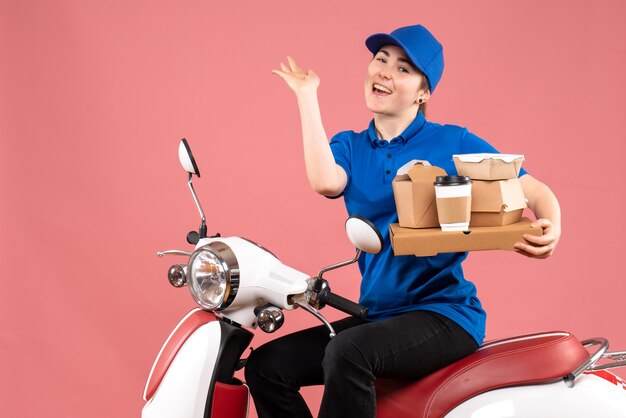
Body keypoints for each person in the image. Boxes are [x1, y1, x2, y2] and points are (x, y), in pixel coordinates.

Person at [244, 24, 561, 418]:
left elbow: (533, 188)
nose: (385, 72)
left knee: (348, 351)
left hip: (444, 315)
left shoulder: (452, 141)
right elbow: (326, 182)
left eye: (403, 69)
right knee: (267, 367)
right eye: (380, 60)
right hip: (378, 316)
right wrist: (307, 97)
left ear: (424, 92)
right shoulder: (350, 145)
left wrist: (551, 223)